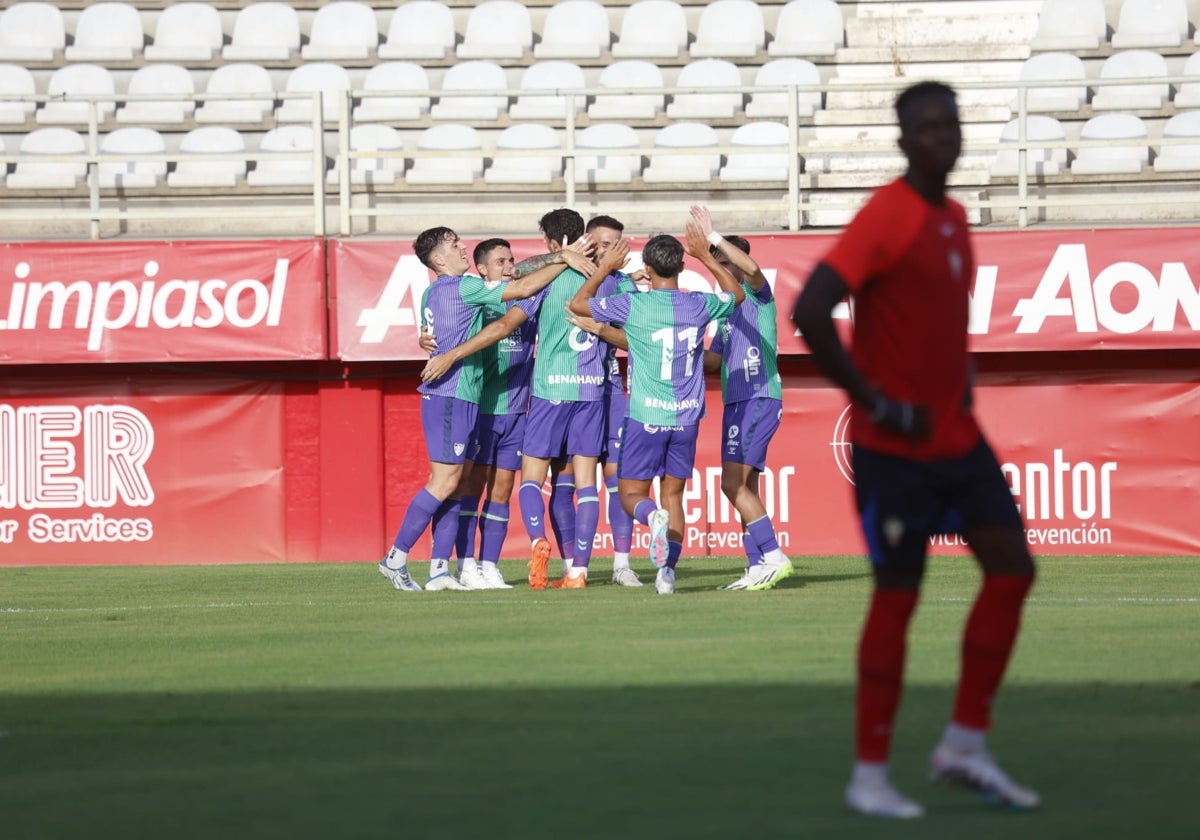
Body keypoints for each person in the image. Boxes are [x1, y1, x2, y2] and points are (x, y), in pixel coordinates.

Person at [790, 81, 1039, 818]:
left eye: (950, 124)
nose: (942, 136)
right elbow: (809, 310)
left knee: (1014, 570)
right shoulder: (886, 214)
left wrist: (956, 382)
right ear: (903, 142)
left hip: (957, 439)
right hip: (891, 450)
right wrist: (871, 401)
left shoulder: (955, 218)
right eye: (926, 127)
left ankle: (964, 743)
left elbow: (935, 325)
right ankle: (870, 775)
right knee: (899, 598)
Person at [381, 226, 590, 592]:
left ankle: (439, 571)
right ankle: (395, 558)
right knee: (445, 482)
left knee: (453, 485)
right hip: (452, 395)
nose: (462, 247)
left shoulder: (434, 292)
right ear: (439, 259)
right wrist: (562, 257)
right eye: (454, 245)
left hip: (459, 397)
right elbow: (522, 286)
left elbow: (513, 278)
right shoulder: (463, 287)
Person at [569, 224, 744, 595]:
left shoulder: (634, 304)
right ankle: (667, 574)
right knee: (674, 496)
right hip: (686, 418)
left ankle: (653, 520)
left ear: (646, 270)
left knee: (632, 495)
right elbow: (737, 294)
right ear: (682, 265)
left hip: (646, 417)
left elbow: (579, 304)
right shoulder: (699, 304)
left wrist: (604, 268)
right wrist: (706, 257)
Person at [692, 205, 793, 592]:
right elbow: (713, 362)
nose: (714, 269)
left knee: (731, 484)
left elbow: (750, 269)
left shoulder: (757, 295)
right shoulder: (725, 313)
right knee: (744, 487)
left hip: (759, 397)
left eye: (719, 262)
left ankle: (772, 555)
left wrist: (713, 239)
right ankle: (757, 565)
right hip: (738, 402)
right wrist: (678, 345)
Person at [513, 209, 610, 590]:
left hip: (551, 390)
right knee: (587, 484)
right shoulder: (608, 280)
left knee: (532, 480)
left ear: (554, 243)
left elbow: (514, 274)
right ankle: (578, 572)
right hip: (591, 391)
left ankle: (538, 541)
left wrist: (558, 259)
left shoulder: (545, 281)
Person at [448, 238, 538, 590]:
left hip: (517, 411)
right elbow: (443, 328)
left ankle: (490, 565)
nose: (508, 265)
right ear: (481, 269)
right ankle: (466, 565)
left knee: (501, 492)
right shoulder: (476, 303)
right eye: (500, 261)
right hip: (482, 410)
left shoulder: (528, 299)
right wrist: (426, 337)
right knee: (471, 490)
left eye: (511, 259)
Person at [563, 214, 644, 587]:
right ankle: (571, 564)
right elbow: (520, 274)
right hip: (565, 390)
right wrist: (560, 256)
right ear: (588, 242)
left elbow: (637, 340)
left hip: (610, 388)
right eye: (607, 243)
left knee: (616, 476)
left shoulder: (624, 285)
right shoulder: (561, 275)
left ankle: (621, 565)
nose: (615, 251)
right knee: (565, 481)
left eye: (618, 244)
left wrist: (601, 330)